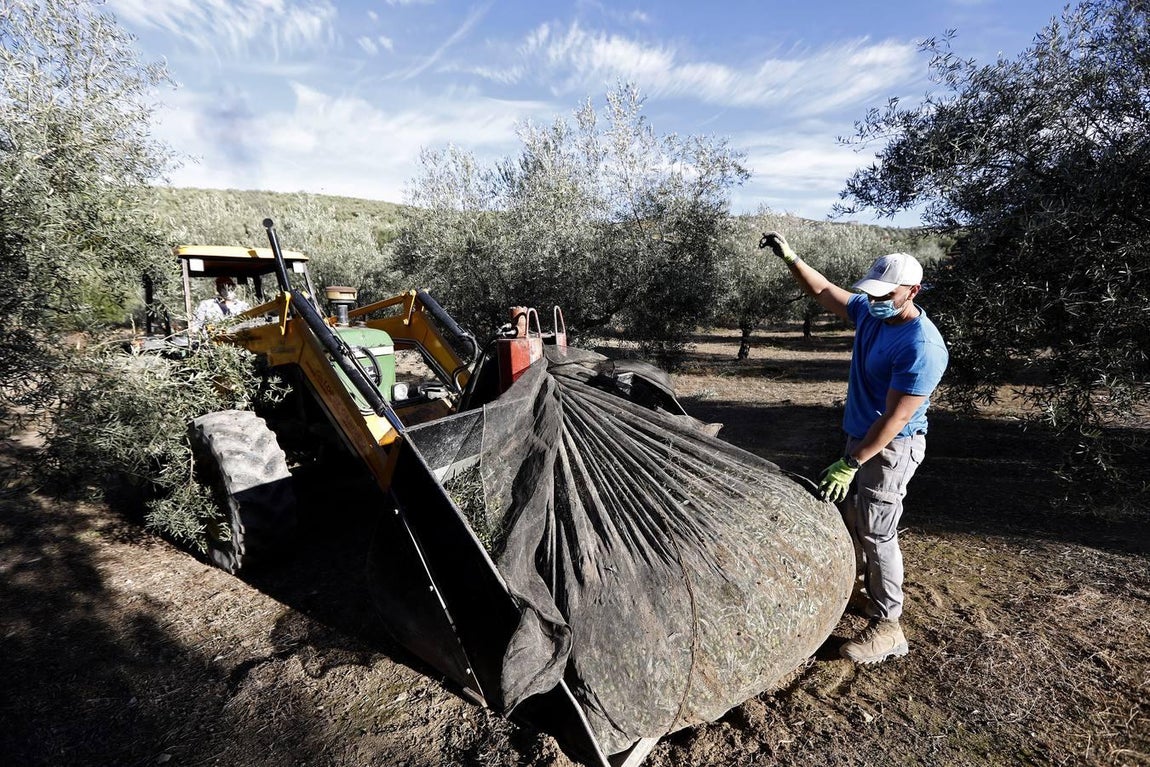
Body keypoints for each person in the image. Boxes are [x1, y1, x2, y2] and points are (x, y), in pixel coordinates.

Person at [760, 231, 948, 665]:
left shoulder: (922, 346)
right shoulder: (872, 314)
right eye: (872, 292)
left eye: (887, 294)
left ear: (913, 292)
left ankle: (888, 625)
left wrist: (851, 461)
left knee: (878, 530)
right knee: (852, 517)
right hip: (861, 439)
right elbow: (824, 290)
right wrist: (791, 257)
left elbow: (897, 418)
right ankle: (861, 590)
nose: (875, 300)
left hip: (892, 446)